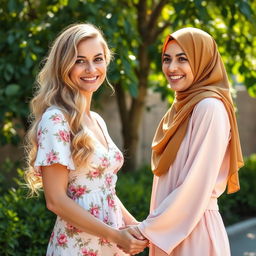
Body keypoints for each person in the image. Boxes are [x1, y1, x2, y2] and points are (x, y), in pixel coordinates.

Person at [24, 23, 147, 256]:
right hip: (77, 248)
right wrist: (115, 235)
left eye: (98, 59)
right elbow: (56, 201)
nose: (91, 69)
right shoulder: (56, 120)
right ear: (64, 66)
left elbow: (104, 190)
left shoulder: (97, 120)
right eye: (80, 61)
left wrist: (135, 228)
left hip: (111, 245)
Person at [125, 27, 244, 255]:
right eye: (167, 59)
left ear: (203, 61)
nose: (171, 68)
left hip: (194, 233)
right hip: (171, 232)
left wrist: (146, 230)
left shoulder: (209, 107)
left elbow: (195, 185)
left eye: (183, 59)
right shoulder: (181, 108)